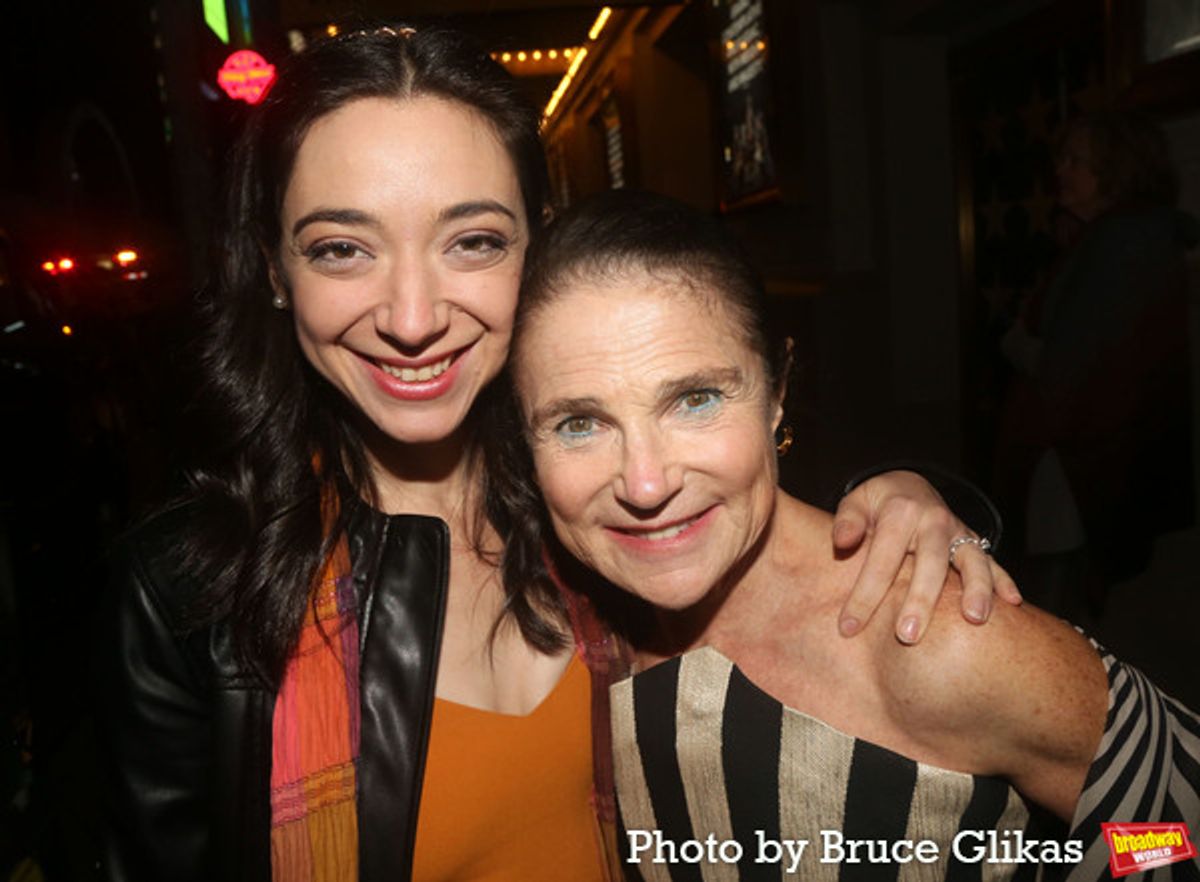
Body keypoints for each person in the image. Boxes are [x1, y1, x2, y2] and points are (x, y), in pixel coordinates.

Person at [100, 27, 1018, 882]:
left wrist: (901, 503)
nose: (412, 318)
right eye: (342, 249)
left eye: (473, 242)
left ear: (534, 249)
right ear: (273, 267)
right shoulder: (194, 591)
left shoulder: (600, 502)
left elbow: (771, 553)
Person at [496, 189, 1200, 880]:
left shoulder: (935, 640)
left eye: (696, 399)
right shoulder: (561, 628)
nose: (645, 484)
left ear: (777, 392)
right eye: (578, 424)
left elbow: (1180, 838)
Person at [996, 111, 1196, 618]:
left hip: (1084, 455)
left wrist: (1017, 341)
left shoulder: (1123, 242)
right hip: (1083, 451)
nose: (1060, 171)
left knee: (1061, 607)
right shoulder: (1108, 237)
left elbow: (1072, 363)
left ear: (1116, 169)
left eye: (1075, 160)